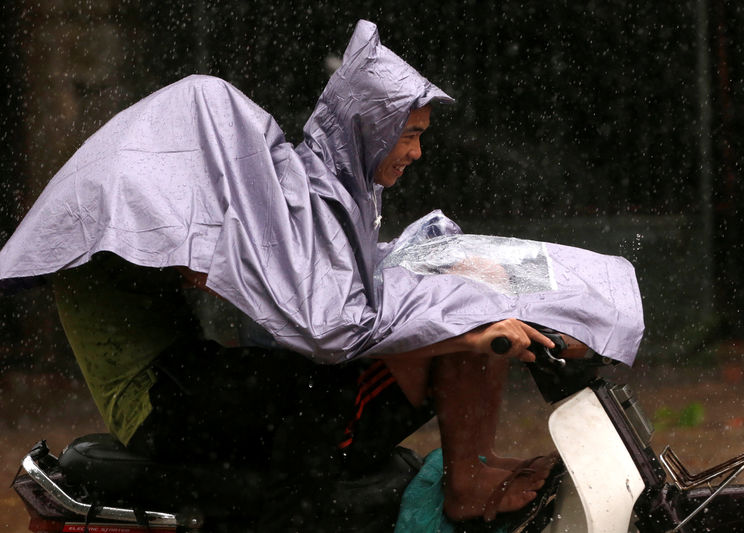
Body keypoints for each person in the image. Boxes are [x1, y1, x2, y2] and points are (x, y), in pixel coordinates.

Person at [2, 20, 584, 524]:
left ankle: (469, 474)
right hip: (159, 398)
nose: (416, 153)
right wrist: (449, 327)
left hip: (190, 372)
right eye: (409, 136)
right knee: (315, 396)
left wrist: (448, 280)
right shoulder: (129, 212)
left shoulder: (167, 203)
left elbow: (306, 275)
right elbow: (286, 300)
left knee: (433, 320)